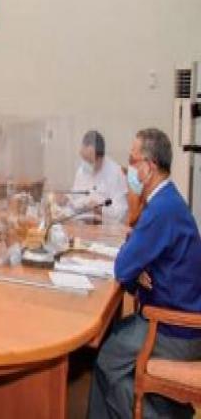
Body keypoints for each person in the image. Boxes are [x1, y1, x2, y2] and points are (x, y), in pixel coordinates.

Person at [87, 128, 201, 419]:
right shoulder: (169, 201)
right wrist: (139, 267)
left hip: (171, 328)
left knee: (106, 360)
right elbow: (135, 258)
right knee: (113, 343)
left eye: (132, 161)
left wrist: (136, 266)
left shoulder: (161, 209)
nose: (128, 170)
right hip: (177, 321)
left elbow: (123, 267)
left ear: (149, 167)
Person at [67, 130, 128, 224]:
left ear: (100, 157)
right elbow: (75, 200)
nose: (86, 164)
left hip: (106, 228)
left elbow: (121, 213)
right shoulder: (82, 170)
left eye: (90, 160)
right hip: (83, 225)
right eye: (84, 158)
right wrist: (67, 200)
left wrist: (100, 209)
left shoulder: (116, 173)